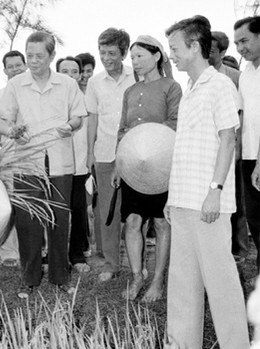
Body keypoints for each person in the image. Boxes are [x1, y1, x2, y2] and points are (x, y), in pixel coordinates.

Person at [164, 15, 249, 348]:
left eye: (174, 48)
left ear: (194, 46)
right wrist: (172, 197)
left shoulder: (221, 86)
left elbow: (228, 140)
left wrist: (214, 192)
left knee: (222, 284)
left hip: (209, 203)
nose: (171, 54)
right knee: (183, 283)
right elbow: (185, 150)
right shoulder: (190, 89)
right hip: (184, 202)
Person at [0, 32, 86, 298]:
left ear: (51, 56)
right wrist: (14, 131)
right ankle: (30, 278)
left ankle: (61, 276)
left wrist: (69, 126)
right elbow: (4, 120)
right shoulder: (16, 85)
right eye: (30, 55)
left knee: (59, 220)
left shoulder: (67, 84)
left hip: (59, 160)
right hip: (28, 162)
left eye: (39, 56)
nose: (33, 61)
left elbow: (79, 117)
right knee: (29, 222)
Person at [113, 36, 181, 301]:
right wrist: (120, 164)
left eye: (140, 56)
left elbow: (176, 122)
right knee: (132, 220)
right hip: (132, 166)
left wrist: (150, 137)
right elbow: (121, 131)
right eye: (133, 58)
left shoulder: (171, 87)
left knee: (162, 222)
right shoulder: (130, 92)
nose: (135, 62)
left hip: (162, 166)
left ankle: (157, 280)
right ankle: (137, 276)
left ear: (157, 56)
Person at [85, 28, 136, 282]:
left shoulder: (136, 76)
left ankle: (136, 263)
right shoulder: (94, 83)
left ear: (124, 52)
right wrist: (89, 154)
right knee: (108, 211)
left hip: (136, 154)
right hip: (104, 154)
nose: (106, 58)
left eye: (112, 53)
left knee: (136, 211)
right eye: (102, 52)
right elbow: (92, 119)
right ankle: (111, 264)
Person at [208, 31, 249, 263]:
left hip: (233, 149)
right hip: (208, 150)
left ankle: (239, 249)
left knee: (236, 201)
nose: (207, 54)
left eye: (212, 50)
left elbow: (242, 115)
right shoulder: (199, 77)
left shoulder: (236, 77)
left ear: (223, 52)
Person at [56, 56, 91, 273]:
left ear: (80, 75)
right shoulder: (49, 99)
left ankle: (77, 255)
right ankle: (55, 255)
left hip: (79, 165)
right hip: (55, 167)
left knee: (78, 211)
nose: (70, 75)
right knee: (56, 212)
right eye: (64, 71)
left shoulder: (86, 99)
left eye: (74, 71)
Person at [0, 50, 27, 268]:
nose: (15, 69)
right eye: (11, 66)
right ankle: (7, 252)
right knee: (10, 205)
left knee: (30, 202)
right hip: (8, 155)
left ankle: (30, 248)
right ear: (4, 70)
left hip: (32, 155)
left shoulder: (31, 91)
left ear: (25, 66)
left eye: (19, 65)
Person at [234, 16, 260, 282]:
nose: (240, 48)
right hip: (249, 157)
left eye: (245, 40)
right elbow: (242, 118)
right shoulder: (246, 75)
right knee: (254, 218)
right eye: (236, 43)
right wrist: (238, 153)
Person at [76, 52, 101, 258]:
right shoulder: (71, 93)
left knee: (93, 202)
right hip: (76, 154)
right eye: (81, 71)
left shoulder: (96, 90)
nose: (84, 75)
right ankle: (83, 243)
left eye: (88, 71)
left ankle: (96, 243)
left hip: (94, 151)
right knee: (81, 204)